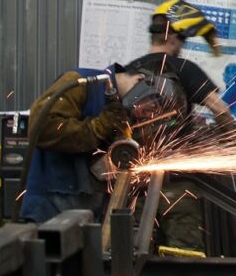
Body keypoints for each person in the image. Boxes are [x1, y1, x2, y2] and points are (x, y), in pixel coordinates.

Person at [126, 0, 236, 253]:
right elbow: (220, 109)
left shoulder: (131, 71)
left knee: (136, 257)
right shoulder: (183, 68)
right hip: (177, 186)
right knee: (184, 257)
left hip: (136, 187)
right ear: (173, 38)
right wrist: (232, 142)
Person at [20, 65, 143, 223]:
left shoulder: (124, 107)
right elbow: (42, 128)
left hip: (90, 207)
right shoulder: (80, 82)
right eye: (150, 101)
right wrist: (98, 127)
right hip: (52, 205)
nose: (147, 111)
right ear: (139, 80)